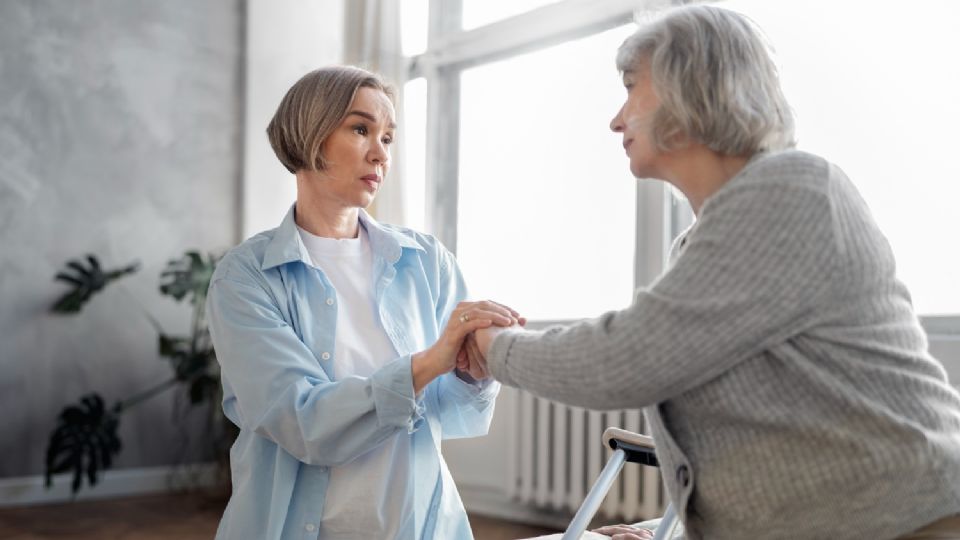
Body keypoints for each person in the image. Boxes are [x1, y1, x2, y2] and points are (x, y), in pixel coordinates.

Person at [470, 5, 960, 540]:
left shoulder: (792, 188)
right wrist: (672, 530)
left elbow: (627, 358)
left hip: (910, 519)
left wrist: (494, 345)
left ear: (691, 88)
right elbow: (766, 441)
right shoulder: (701, 241)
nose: (616, 119)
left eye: (632, 88)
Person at [206, 66, 521, 540]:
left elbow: (453, 412)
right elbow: (302, 421)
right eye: (360, 129)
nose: (381, 154)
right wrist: (427, 362)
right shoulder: (246, 277)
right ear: (310, 137)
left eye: (389, 138)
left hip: (419, 525)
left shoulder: (426, 261)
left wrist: (471, 372)